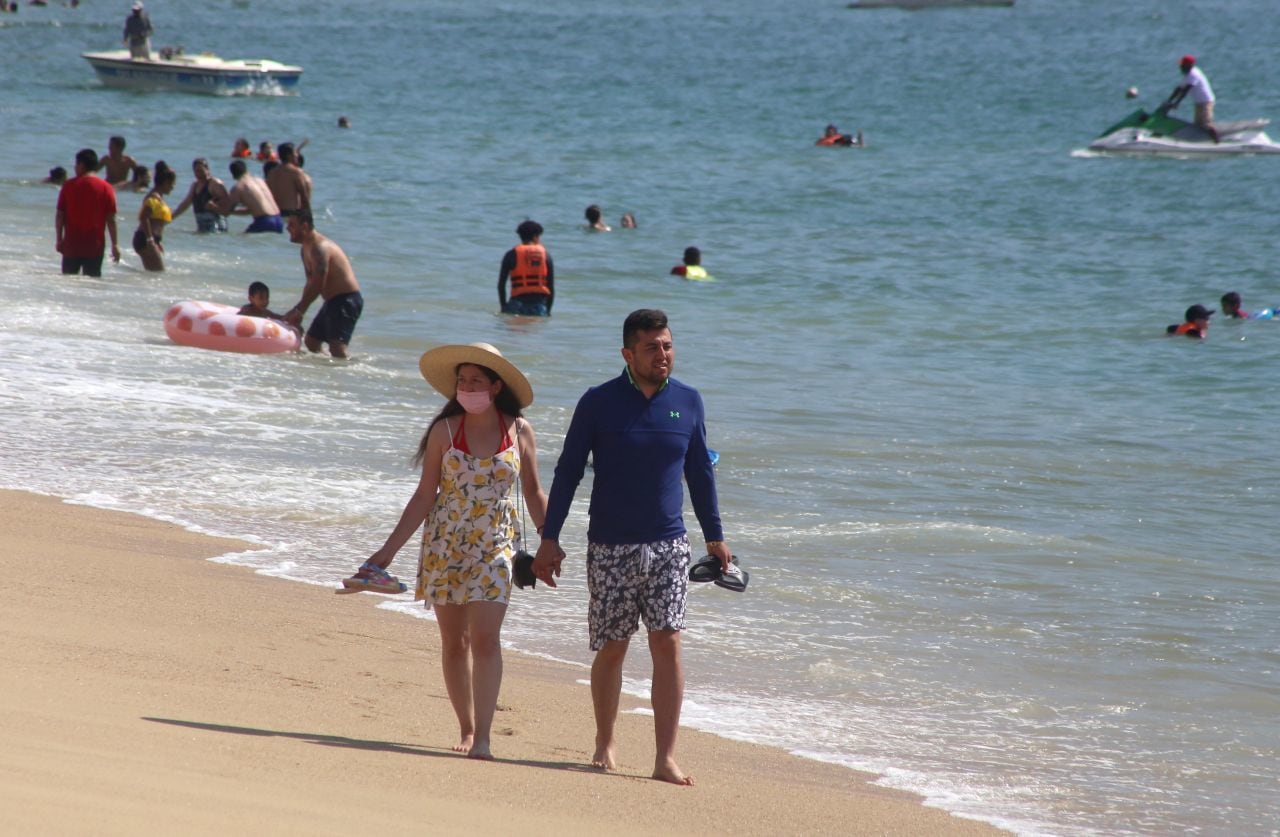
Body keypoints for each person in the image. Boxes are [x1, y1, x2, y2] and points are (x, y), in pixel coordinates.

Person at [532, 308, 731, 786]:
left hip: (669, 546)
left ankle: (665, 757)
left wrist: (715, 534)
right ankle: (605, 740)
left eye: (667, 345)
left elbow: (700, 473)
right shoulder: (598, 402)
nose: (663, 355)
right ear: (627, 353)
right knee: (613, 646)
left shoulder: (688, 400)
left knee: (668, 643)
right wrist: (550, 538)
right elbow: (567, 472)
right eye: (651, 347)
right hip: (611, 546)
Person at [348, 342, 547, 759]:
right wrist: (385, 554)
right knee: (454, 642)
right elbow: (424, 496)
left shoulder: (520, 430)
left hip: (496, 546)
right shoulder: (444, 431)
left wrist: (552, 542)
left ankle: (485, 739)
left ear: (495, 385)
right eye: (462, 381)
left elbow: (532, 490)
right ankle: (467, 726)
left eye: (476, 380)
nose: (467, 387)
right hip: (445, 544)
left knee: (487, 639)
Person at [282, 211, 363, 358]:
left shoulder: (320, 248)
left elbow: (319, 283)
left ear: (305, 226)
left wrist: (299, 311)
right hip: (332, 301)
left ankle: (352, 373)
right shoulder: (305, 249)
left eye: (292, 225)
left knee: (337, 348)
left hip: (346, 300)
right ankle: (326, 373)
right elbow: (310, 283)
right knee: (311, 342)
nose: (287, 228)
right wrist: (298, 313)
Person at [55, 148, 121, 276]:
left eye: (76, 164)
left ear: (81, 165)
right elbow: (111, 220)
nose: (75, 167)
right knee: (92, 286)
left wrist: (59, 239)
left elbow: (60, 216)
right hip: (94, 247)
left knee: (67, 285)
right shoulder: (106, 188)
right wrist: (115, 245)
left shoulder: (68, 185)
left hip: (71, 245)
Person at [497, 219, 554, 317]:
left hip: (516, 304)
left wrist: (503, 307)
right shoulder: (546, 256)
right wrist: (548, 311)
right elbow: (551, 288)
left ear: (520, 236)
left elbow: (501, 285)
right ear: (536, 236)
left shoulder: (511, 255)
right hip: (539, 305)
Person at [1163, 55, 1219, 142]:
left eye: (1183, 65)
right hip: (1199, 102)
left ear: (1189, 65)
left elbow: (1185, 90)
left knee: (1206, 125)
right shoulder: (1188, 75)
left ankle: (1217, 142)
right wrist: (1169, 100)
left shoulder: (1194, 74)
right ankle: (1203, 142)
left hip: (1206, 102)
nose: (1180, 67)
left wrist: (1177, 103)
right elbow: (1179, 89)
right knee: (1197, 126)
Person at [132, 165, 176, 272]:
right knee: (158, 273)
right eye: (172, 184)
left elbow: (156, 221)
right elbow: (143, 218)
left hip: (150, 239)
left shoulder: (159, 197)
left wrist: (158, 241)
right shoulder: (153, 197)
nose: (173, 187)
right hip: (145, 239)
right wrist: (150, 239)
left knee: (153, 274)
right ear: (165, 182)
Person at [219, 160, 283, 233]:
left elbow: (226, 212)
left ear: (233, 175)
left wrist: (213, 207)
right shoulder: (260, 181)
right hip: (278, 220)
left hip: (264, 222)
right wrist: (233, 212)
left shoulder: (238, 187)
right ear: (246, 170)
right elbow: (251, 210)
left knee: (240, 241)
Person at [170, 158, 229, 233]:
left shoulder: (215, 184)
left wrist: (215, 207)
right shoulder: (195, 185)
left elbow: (228, 204)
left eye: (201, 171)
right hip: (202, 225)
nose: (199, 174)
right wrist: (171, 217)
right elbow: (185, 204)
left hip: (216, 225)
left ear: (207, 169)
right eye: (196, 171)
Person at [266, 142, 311, 216]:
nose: (297, 155)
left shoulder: (272, 173)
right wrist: (309, 217)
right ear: (289, 156)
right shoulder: (295, 172)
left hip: (273, 214)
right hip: (290, 214)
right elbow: (303, 197)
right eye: (294, 153)